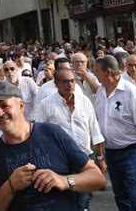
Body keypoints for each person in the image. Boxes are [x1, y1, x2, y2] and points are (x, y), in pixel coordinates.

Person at [0, 82, 106, 210]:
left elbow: (98, 178)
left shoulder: (51, 133)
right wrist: (10, 186)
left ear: (21, 106)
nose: (0, 113)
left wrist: (64, 181)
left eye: (5, 106)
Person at [94, 55, 136, 210]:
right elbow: (99, 127)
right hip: (112, 153)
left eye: (96, 71)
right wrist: (101, 155)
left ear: (108, 72)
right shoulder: (100, 93)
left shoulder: (131, 93)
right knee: (120, 196)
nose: (94, 73)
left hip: (133, 153)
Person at [36, 68, 106, 210]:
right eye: (65, 82)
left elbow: (95, 130)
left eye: (73, 81)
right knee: (62, 200)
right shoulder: (46, 104)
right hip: (58, 161)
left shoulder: (84, 101)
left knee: (82, 201)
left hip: (83, 159)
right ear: (56, 84)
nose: (70, 85)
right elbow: (39, 136)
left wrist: (100, 157)